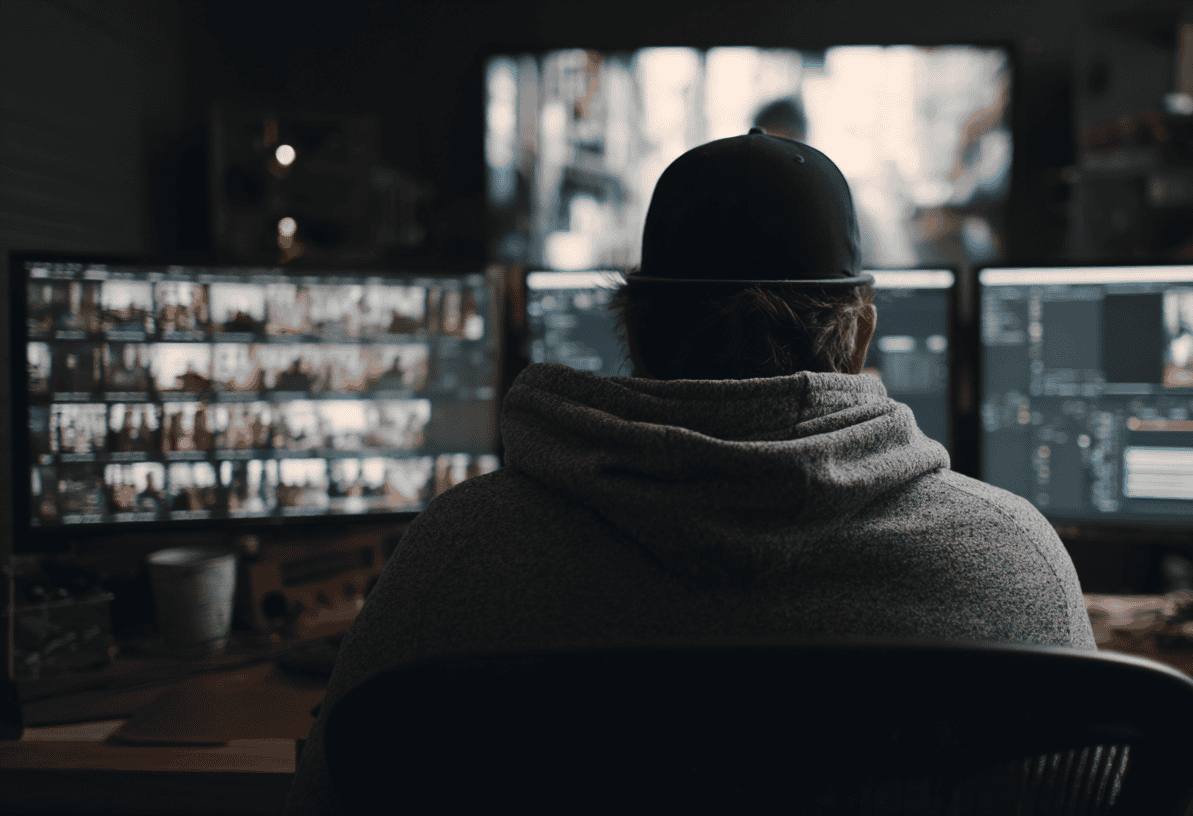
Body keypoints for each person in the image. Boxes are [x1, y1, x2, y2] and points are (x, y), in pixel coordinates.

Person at [283, 128, 1094, 815]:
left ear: (633, 329)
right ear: (859, 336)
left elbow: (326, 794)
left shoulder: (458, 554)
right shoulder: (1013, 556)